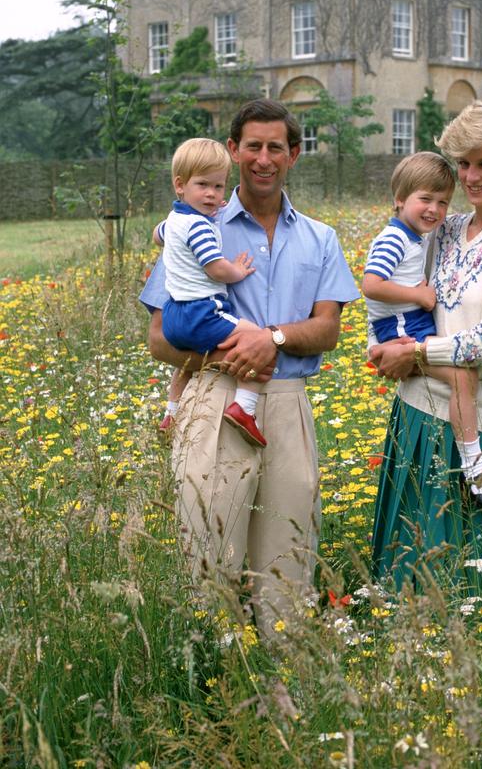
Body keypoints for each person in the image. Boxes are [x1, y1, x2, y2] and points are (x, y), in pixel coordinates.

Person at [139, 100, 359, 636]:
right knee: (209, 555)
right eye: (252, 147)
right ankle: (214, 683)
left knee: (289, 557)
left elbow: (327, 328)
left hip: (286, 404)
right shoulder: (194, 224)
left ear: (294, 155)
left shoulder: (319, 238)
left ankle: (286, 688)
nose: (263, 159)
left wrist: (273, 338)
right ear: (234, 151)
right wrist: (229, 354)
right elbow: (158, 337)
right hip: (214, 396)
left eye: (276, 148)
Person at [369, 101, 482, 600]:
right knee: (405, 574)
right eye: (464, 163)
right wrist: (382, 344)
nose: (470, 176)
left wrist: (416, 353)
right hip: (412, 412)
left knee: (462, 587)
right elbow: (396, 287)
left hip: (472, 425)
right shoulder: (445, 228)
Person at [362, 152, 482, 510]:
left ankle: (473, 470)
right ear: (399, 199)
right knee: (462, 379)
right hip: (403, 330)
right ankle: (475, 475)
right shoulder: (394, 239)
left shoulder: (416, 237)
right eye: (425, 199)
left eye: (443, 202)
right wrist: (419, 295)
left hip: (410, 326)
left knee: (463, 379)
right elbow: (371, 285)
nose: (434, 209)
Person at [155, 137, 267, 448]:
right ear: (180, 185)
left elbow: (157, 235)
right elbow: (215, 268)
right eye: (203, 185)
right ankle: (244, 408)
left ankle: (171, 412)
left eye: (219, 187)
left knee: (185, 366)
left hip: (174, 316)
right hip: (203, 310)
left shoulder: (174, 220)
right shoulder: (200, 227)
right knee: (257, 340)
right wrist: (238, 271)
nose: (212, 194)